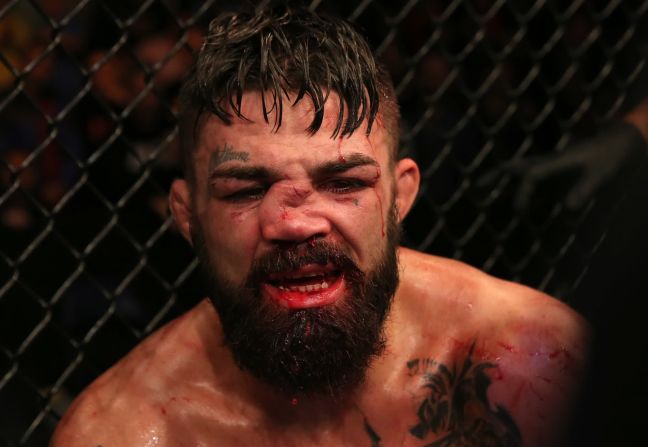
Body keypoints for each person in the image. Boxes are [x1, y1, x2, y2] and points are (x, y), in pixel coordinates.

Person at [50, 4, 590, 446]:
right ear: (187, 214)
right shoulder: (125, 433)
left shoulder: (532, 362)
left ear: (400, 196)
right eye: (245, 189)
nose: (296, 223)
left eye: (345, 183)